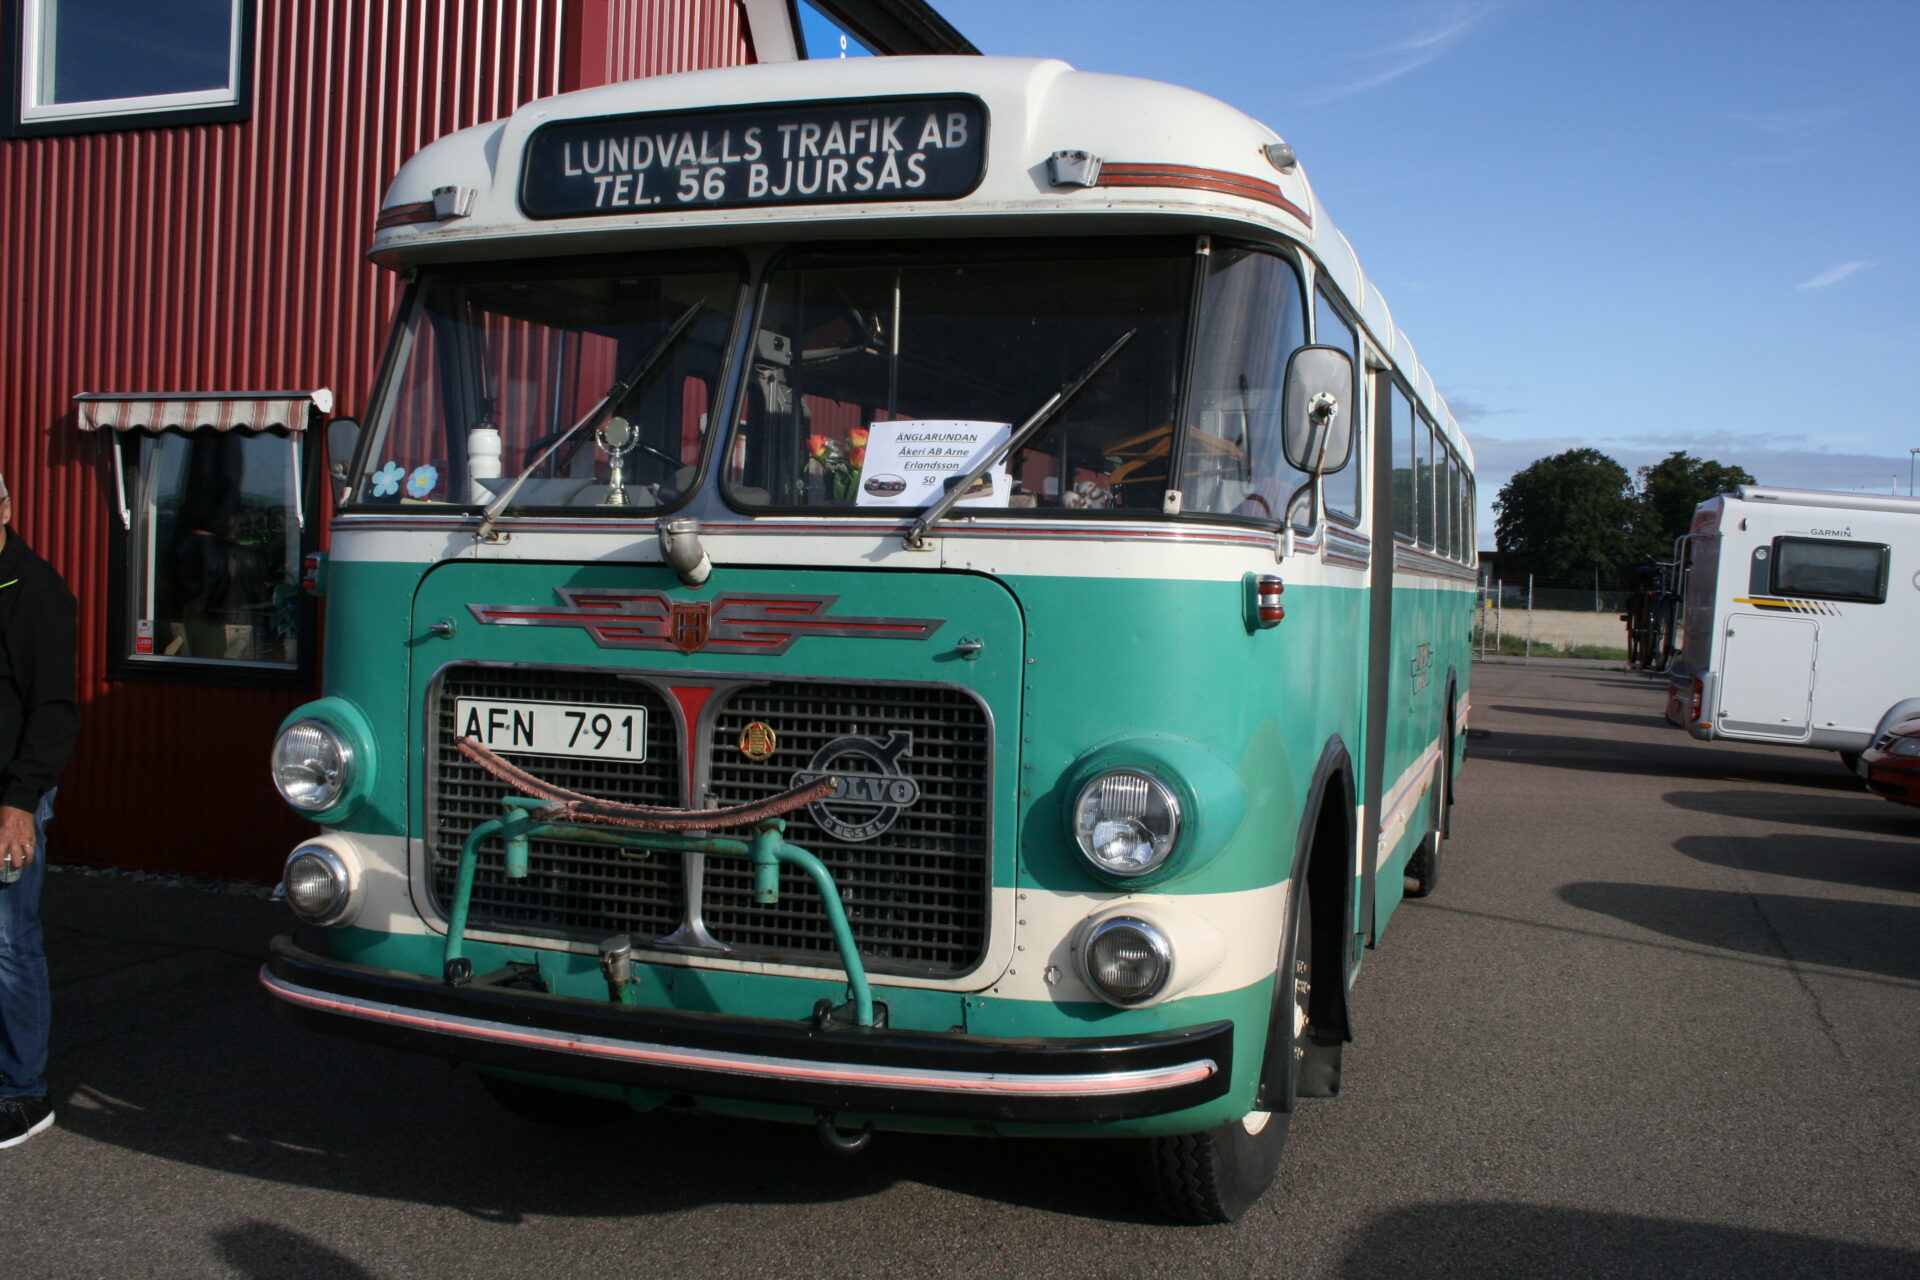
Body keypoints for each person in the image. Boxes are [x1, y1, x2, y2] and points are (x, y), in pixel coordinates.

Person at [0, 472, 79, 1150]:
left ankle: (23, 1093)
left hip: (7, 800)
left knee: (9, 944)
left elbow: (54, 710)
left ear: (5, 506)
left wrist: (19, 802)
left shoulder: (34, 593)